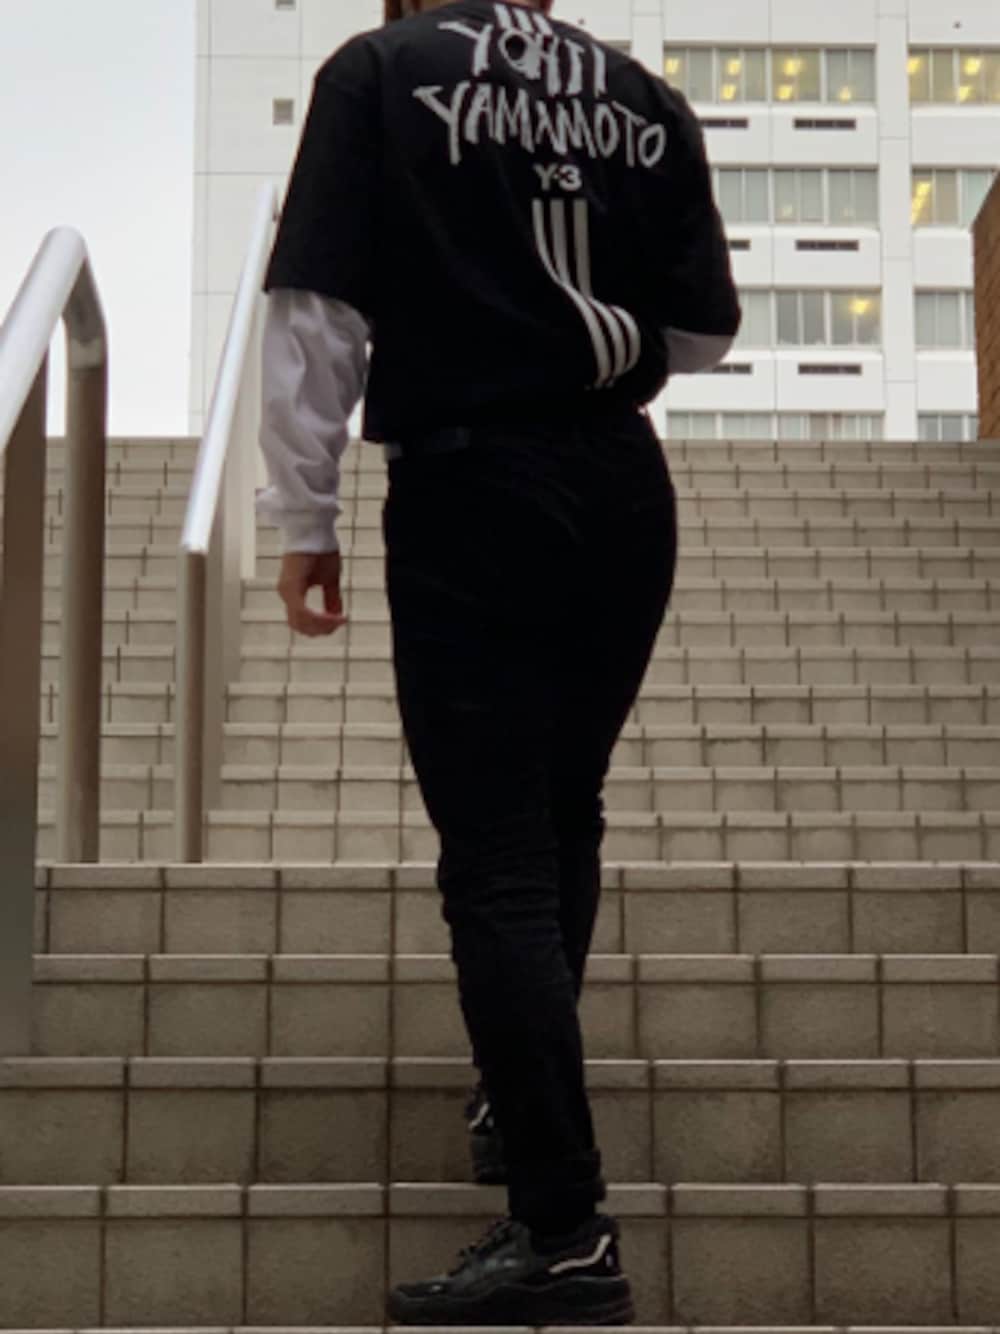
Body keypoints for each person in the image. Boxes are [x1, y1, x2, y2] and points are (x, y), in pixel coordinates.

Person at [257, 0, 741, 1324]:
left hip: (473, 480)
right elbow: (704, 332)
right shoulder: (639, 94)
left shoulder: (377, 71)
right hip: (623, 485)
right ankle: (516, 1094)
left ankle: (563, 1228)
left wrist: (302, 518)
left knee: (497, 856)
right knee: (564, 806)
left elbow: (317, 314)